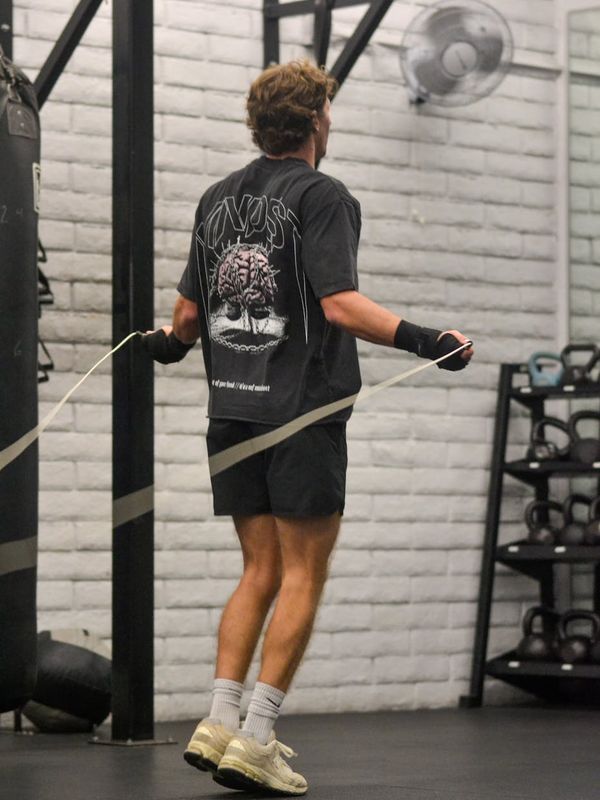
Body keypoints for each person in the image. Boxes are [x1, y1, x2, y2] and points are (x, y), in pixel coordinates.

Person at [142, 59, 474, 796]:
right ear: (318, 119)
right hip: (300, 416)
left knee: (257, 571)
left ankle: (218, 722)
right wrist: (430, 339)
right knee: (301, 574)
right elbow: (340, 305)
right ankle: (257, 737)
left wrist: (167, 346)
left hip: (231, 414)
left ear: (258, 123)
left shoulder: (215, 196)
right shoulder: (322, 195)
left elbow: (186, 321)